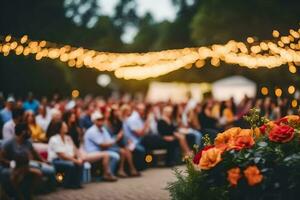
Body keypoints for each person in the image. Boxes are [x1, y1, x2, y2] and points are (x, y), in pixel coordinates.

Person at [0, 123, 56, 197]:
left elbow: (35, 153)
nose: (30, 132)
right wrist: (11, 163)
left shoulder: (27, 142)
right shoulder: (9, 143)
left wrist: (44, 161)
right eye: (28, 130)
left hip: (26, 165)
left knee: (49, 170)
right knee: (21, 175)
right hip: (9, 167)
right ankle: (17, 195)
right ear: (23, 132)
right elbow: (1, 158)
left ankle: (33, 191)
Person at [84, 111, 130, 180]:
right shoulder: (92, 131)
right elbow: (103, 145)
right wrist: (117, 138)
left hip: (102, 150)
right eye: (99, 119)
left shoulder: (102, 129)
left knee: (122, 151)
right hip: (93, 152)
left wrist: (115, 140)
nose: (101, 121)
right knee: (113, 155)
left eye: (102, 119)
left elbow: (109, 140)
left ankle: (119, 171)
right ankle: (107, 174)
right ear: (94, 121)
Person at [105, 106, 140, 177]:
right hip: (112, 143)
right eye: (115, 111)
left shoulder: (119, 121)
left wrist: (126, 139)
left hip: (119, 142)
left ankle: (131, 169)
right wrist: (118, 136)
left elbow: (122, 132)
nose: (117, 112)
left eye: (117, 110)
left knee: (127, 150)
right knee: (123, 151)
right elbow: (110, 135)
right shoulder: (108, 122)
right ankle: (121, 170)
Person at [48, 121, 83, 189]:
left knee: (80, 163)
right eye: (64, 126)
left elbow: (75, 149)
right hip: (55, 160)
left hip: (67, 158)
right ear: (59, 129)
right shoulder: (54, 139)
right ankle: (67, 184)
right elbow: (61, 155)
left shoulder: (68, 138)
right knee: (71, 165)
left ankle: (77, 183)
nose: (66, 127)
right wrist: (75, 160)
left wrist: (79, 158)